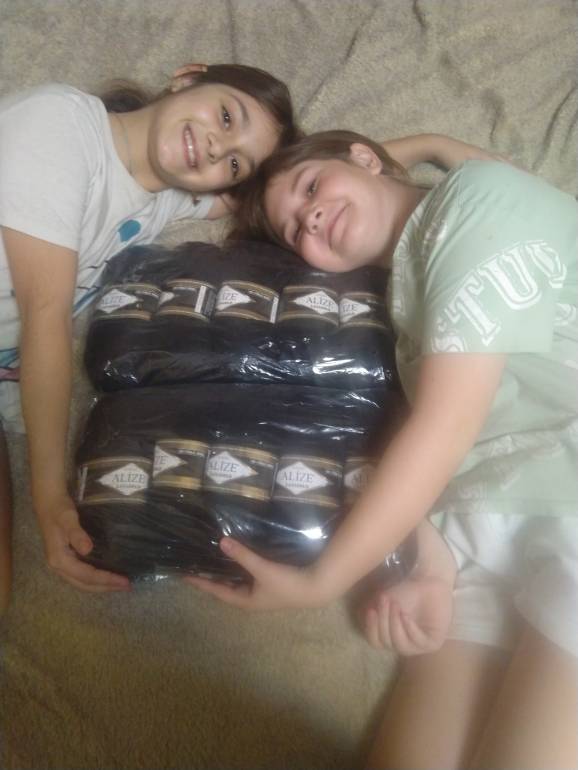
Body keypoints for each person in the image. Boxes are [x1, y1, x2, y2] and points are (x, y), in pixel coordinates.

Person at [0, 60, 498, 609]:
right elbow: (45, 316)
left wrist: (431, 146)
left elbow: (316, 186)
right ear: (189, 76)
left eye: (234, 163)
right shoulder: (59, 124)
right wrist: (49, 496)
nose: (217, 148)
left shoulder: (166, 194)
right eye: (226, 115)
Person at [189, 130, 578, 769]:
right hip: (484, 517)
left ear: (364, 156)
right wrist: (432, 560)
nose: (311, 217)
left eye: (312, 186)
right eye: (295, 230)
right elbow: (457, 438)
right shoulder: (406, 299)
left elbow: (445, 426)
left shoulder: (474, 200)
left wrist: (322, 580)